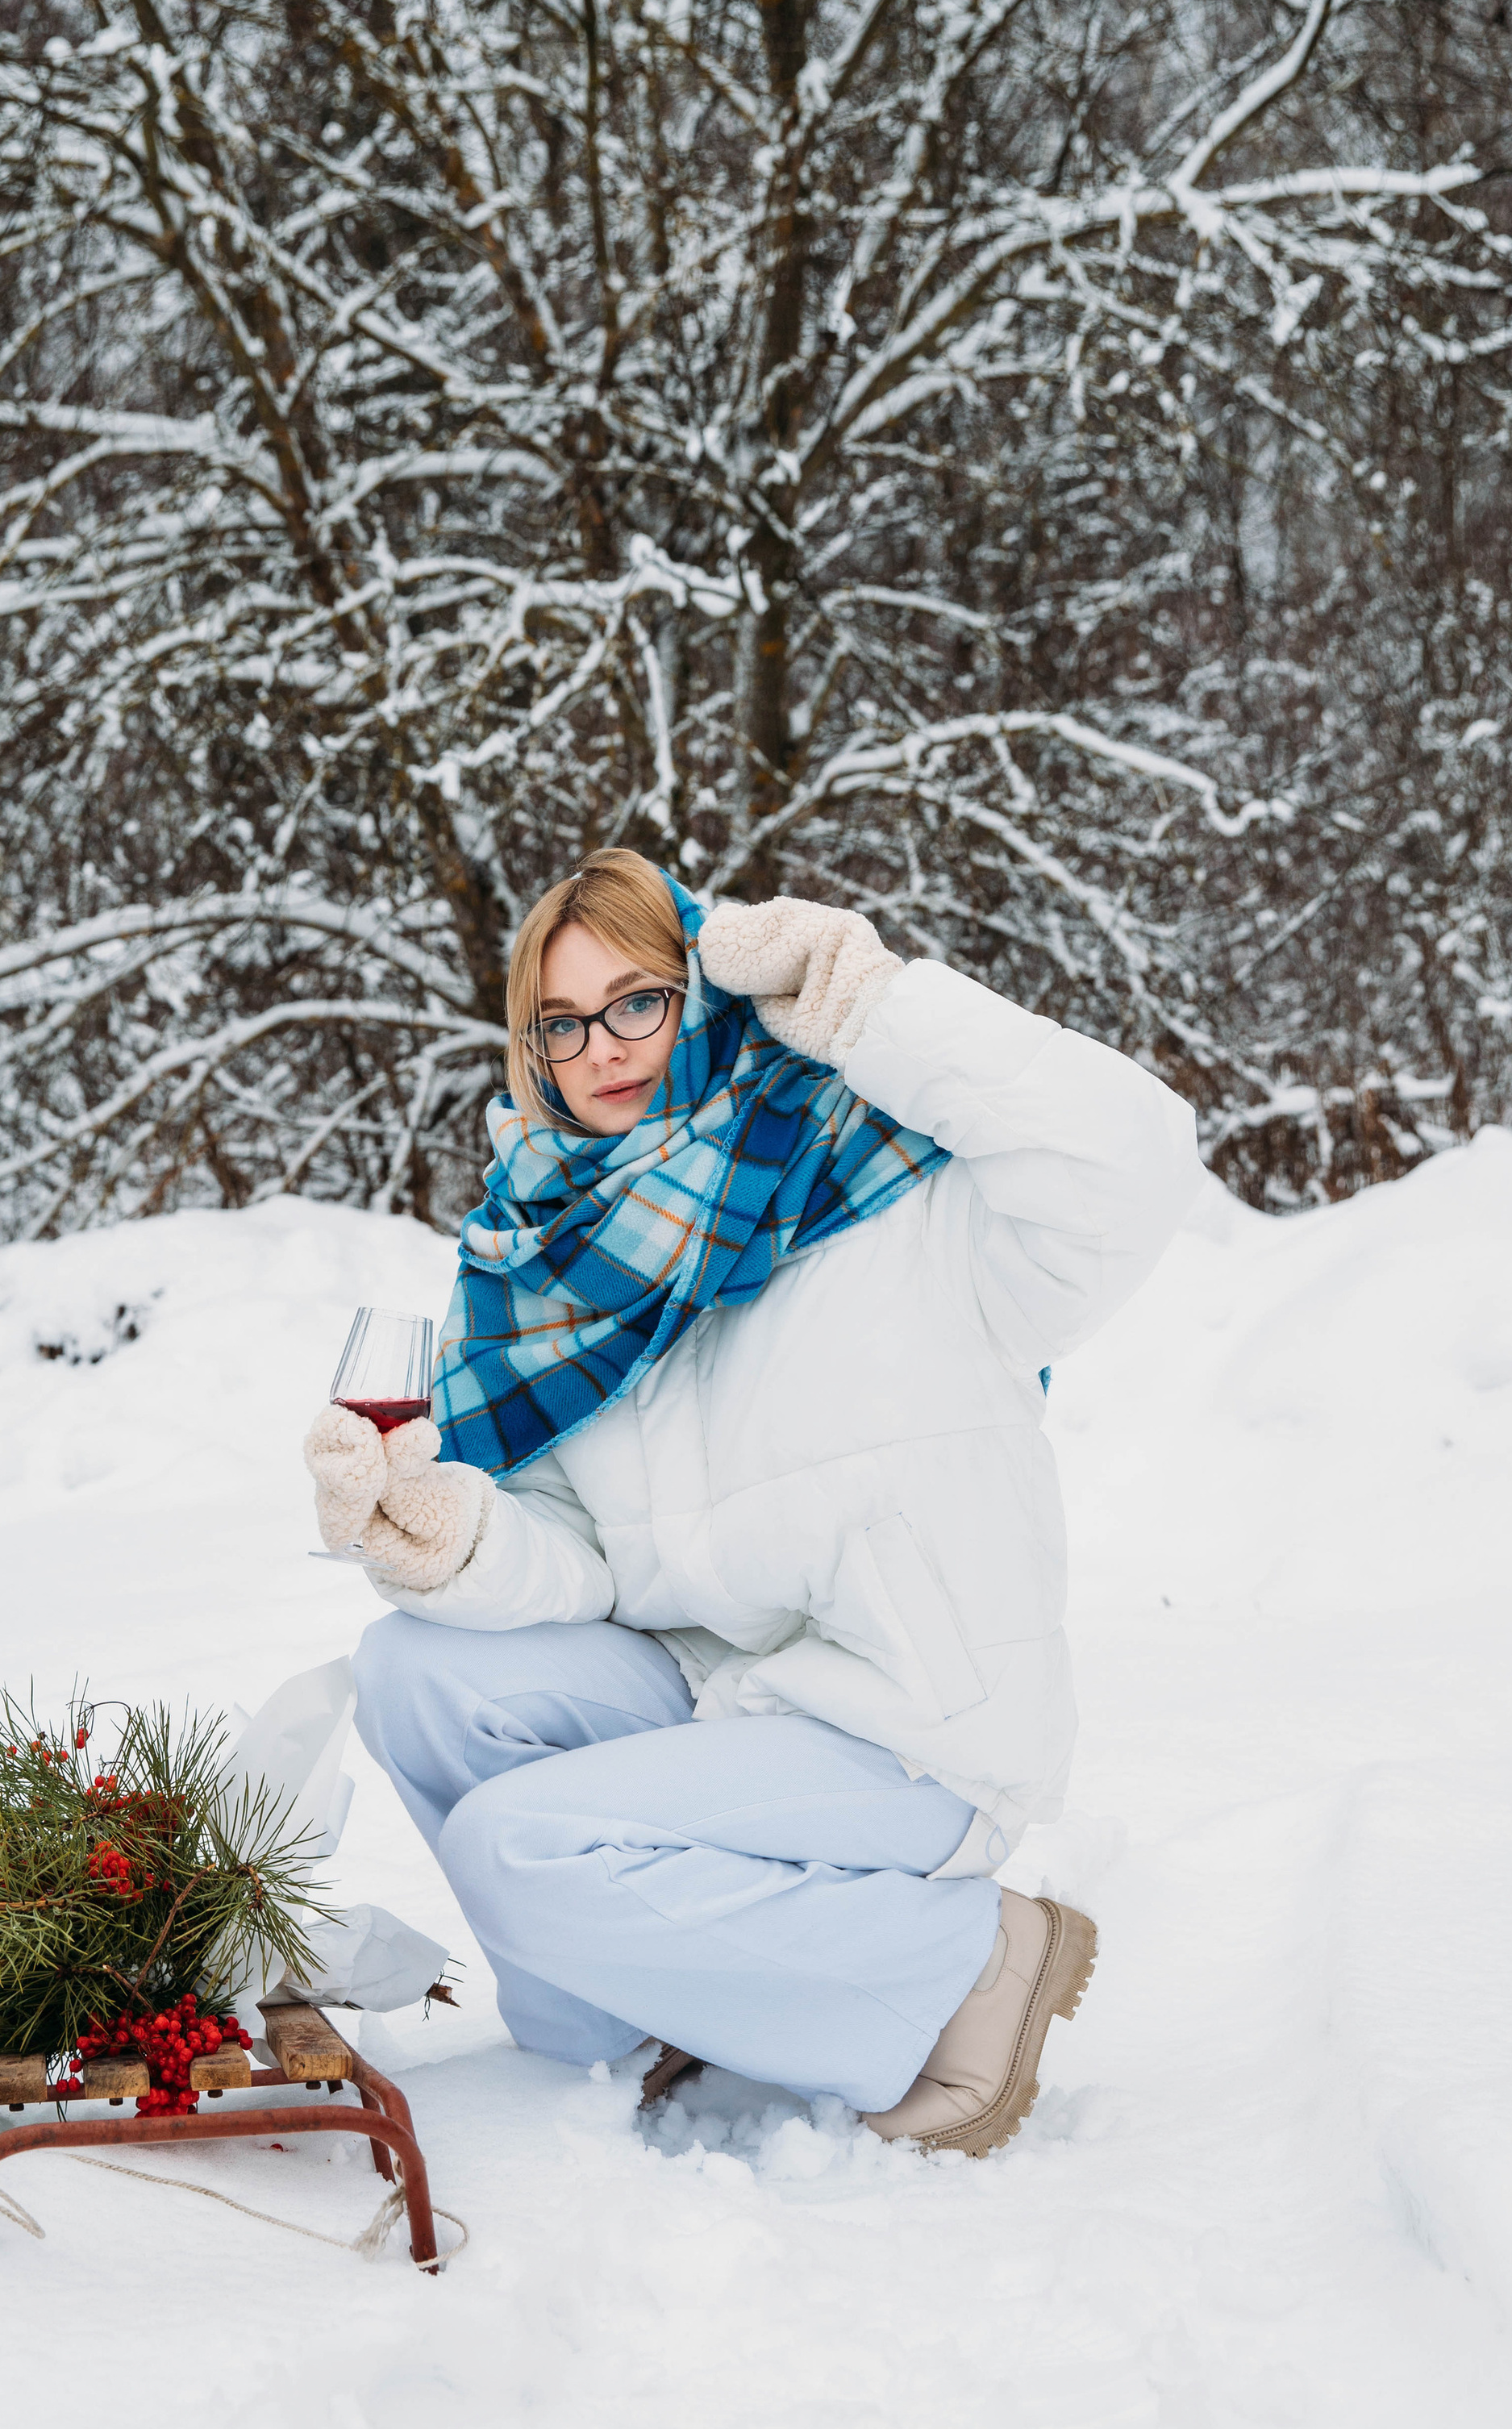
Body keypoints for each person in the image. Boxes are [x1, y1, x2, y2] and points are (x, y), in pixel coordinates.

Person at [303, 852, 1200, 2151]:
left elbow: (1134, 1154)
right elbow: (577, 1557)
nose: (601, 1047)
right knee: (412, 1670)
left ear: (702, 995)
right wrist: (451, 1538)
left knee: (518, 1846)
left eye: (637, 1002)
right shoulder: (546, 1263)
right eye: (561, 1023)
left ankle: (970, 1957)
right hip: (723, 1695)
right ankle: (635, 2015)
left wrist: (870, 1005)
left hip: (907, 1719)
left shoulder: (894, 1186)